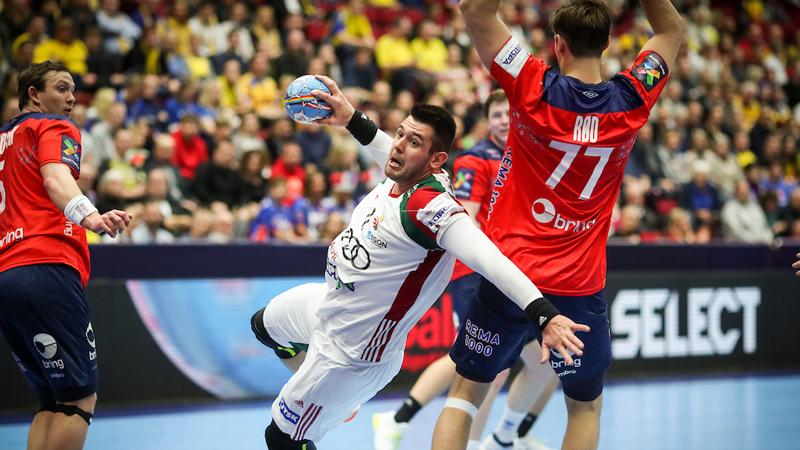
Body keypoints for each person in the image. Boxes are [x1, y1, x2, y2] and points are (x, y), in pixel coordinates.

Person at [249, 75, 587, 450]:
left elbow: (491, 260)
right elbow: (382, 146)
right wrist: (349, 117)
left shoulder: (431, 209)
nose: (398, 145)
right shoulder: (400, 171)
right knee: (263, 326)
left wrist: (544, 315)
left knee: (280, 439)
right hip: (329, 307)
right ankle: (335, 404)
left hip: (352, 353)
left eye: (414, 142)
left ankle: (329, 397)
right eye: (401, 134)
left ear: (435, 160)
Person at [433, 1, 685, 449]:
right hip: (579, 287)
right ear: (606, 44)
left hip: (512, 276)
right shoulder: (633, 97)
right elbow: (671, 30)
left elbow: (475, 11)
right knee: (583, 407)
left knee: (466, 393)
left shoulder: (531, 83)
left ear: (558, 45)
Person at [372, 90, 558, 450]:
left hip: (512, 272)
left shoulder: (529, 157)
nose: (503, 120)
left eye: (509, 114)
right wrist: (495, 265)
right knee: (488, 365)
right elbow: (468, 221)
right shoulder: (477, 159)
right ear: (487, 121)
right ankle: (437, 432)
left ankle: (505, 438)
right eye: (496, 114)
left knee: (543, 362)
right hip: (476, 270)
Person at [0, 60, 131, 450]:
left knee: (51, 399)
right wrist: (90, 216)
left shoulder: (4, 139)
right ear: (34, 94)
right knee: (78, 398)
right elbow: (56, 177)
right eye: (61, 88)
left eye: (73, 89)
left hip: (7, 275)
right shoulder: (53, 126)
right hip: (45, 266)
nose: (72, 97)